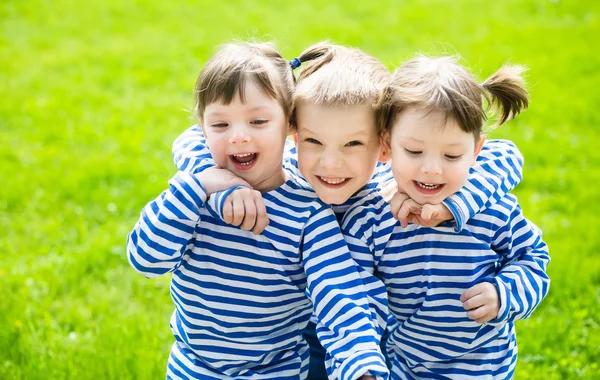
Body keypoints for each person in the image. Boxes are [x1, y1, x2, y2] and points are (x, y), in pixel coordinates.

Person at [171, 43, 528, 379]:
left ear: (383, 145)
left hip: (358, 333)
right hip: (292, 339)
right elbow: (193, 137)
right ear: (292, 133)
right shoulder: (284, 171)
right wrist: (217, 183)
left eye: (354, 144)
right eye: (313, 142)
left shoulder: (400, 185)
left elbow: (503, 155)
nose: (331, 163)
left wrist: (452, 206)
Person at [127, 42, 389, 380]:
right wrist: (201, 185)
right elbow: (146, 260)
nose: (238, 137)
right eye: (220, 125)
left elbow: (338, 292)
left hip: (274, 371)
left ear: (290, 126)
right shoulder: (194, 194)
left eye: (258, 121)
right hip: (192, 368)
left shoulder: (308, 214)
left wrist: (361, 367)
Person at [342, 56, 550, 379]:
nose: (431, 169)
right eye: (413, 151)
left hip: (482, 367)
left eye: (452, 156)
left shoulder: (493, 211)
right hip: (404, 367)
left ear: (477, 151)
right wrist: (362, 363)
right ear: (387, 144)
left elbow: (533, 259)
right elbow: (355, 293)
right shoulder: (373, 216)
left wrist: (503, 293)